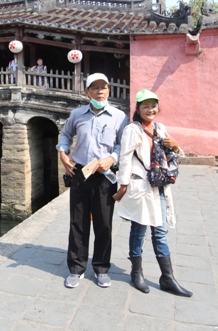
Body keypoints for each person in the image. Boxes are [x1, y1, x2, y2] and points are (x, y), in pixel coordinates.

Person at [113, 89, 192, 297]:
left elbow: (172, 154)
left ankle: (167, 277)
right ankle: (136, 273)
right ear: (138, 109)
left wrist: (177, 146)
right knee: (139, 231)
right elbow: (125, 158)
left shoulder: (160, 128)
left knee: (160, 233)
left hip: (160, 187)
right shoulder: (132, 130)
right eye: (145, 106)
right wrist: (123, 185)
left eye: (153, 106)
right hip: (140, 188)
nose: (150, 110)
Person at [57, 73, 129, 288]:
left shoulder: (119, 117)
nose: (100, 91)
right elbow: (65, 135)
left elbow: (123, 144)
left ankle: (101, 267)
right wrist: (63, 153)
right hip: (80, 174)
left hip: (105, 177)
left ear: (109, 90)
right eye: (95, 88)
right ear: (87, 92)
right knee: (77, 222)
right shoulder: (77, 114)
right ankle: (76, 268)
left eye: (103, 87)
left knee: (104, 224)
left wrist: (112, 158)